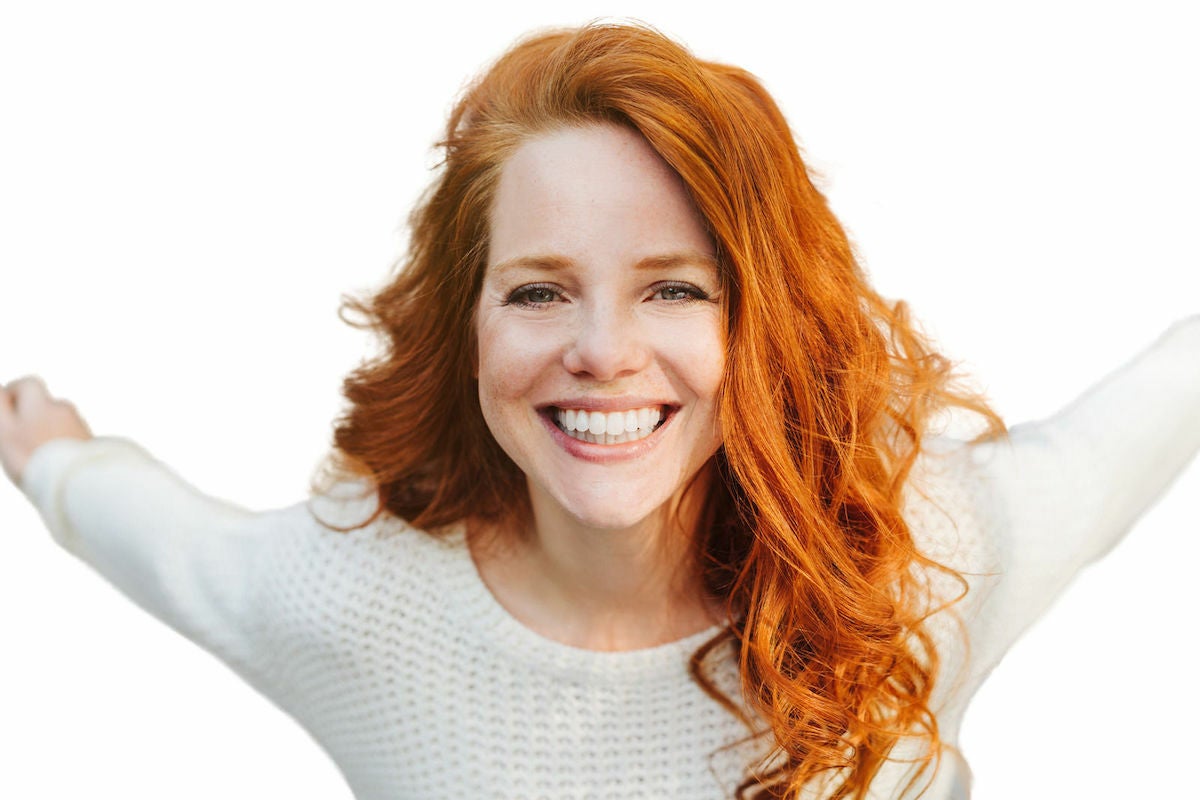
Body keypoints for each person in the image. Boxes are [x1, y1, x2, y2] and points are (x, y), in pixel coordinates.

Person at [2, 21, 1197, 800]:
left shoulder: (921, 554)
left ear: (758, 324)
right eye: (539, 290)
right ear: (465, 328)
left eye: (674, 287)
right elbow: (174, 543)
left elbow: (1138, 422)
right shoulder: (352, 598)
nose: (604, 352)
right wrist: (55, 460)